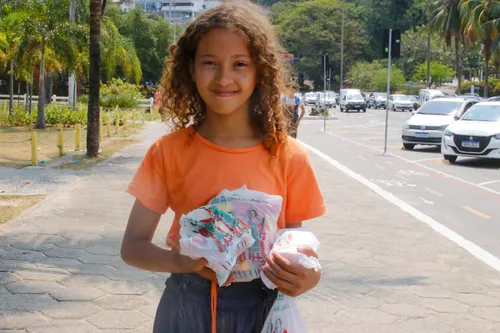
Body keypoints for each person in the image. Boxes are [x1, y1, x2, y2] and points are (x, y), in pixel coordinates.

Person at [121, 1, 326, 332]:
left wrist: (309, 273)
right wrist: (180, 262)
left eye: (240, 63)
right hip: (186, 308)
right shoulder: (168, 152)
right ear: (191, 69)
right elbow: (132, 247)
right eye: (210, 63)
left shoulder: (290, 156)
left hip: (265, 308)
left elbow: (293, 244)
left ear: (260, 71)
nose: (224, 77)